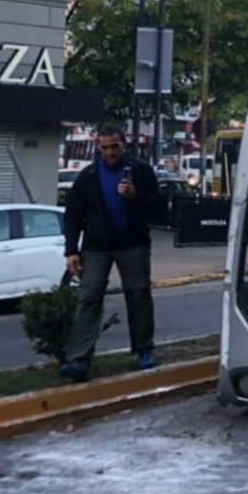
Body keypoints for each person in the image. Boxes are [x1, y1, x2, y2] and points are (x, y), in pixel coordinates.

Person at [59, 124, 161, 381]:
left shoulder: (141, 171)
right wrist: (71, 250)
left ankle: (143, 349)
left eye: (114, 146)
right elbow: (73, 216)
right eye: (104, 147)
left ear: (124, 144)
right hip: (96, 246)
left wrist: (134, 196)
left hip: (133, 243)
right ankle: (79, 358)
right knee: (89, 298)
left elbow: (159, 207)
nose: (110, 152)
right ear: (98, 148)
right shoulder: (89, 175)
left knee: (138, 295)